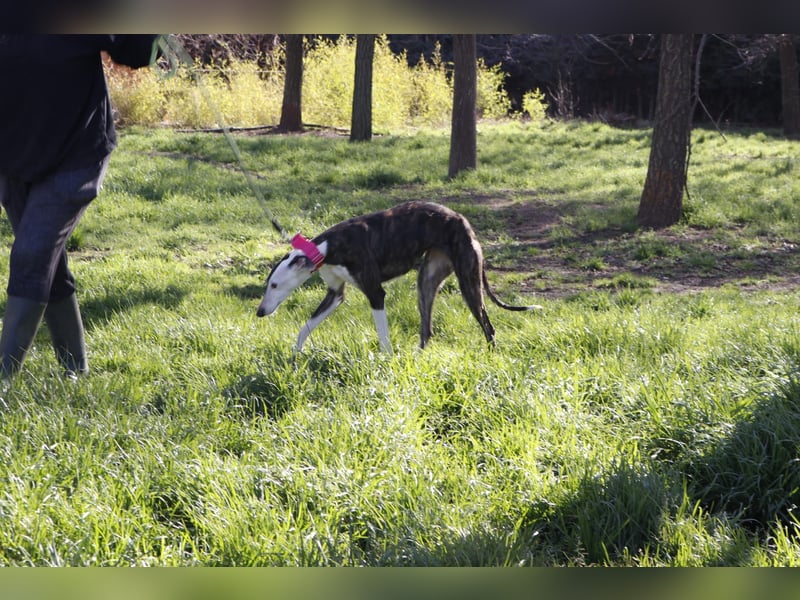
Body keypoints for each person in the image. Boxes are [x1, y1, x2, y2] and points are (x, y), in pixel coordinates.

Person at [0, 34, 161, 378]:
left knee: (31, 255)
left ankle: (3, 380)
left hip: (76, 155)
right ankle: (75, 370)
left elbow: (135, 50)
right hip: (13, 158)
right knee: (46, 262)